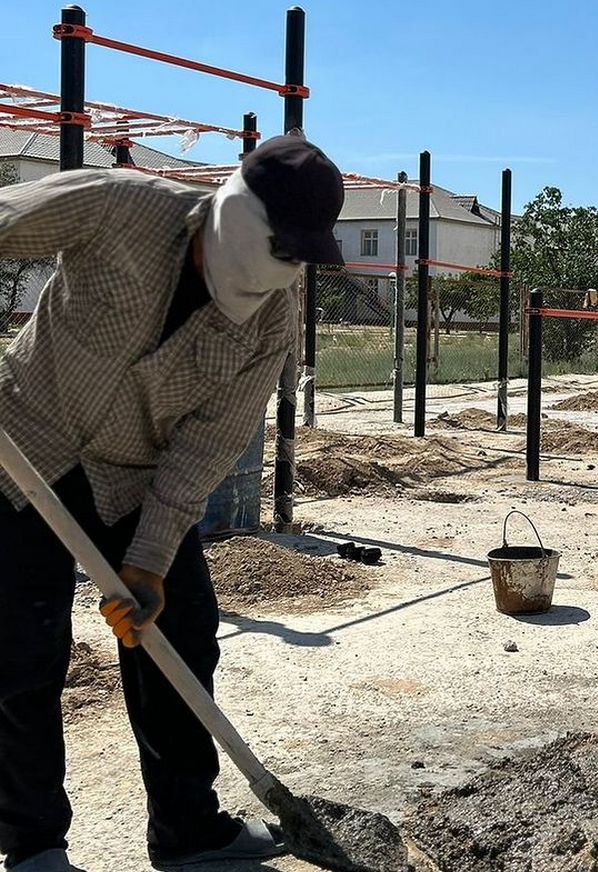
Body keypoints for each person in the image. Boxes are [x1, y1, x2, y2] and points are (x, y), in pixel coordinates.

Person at [0, 135, 344, 872]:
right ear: (239, 212)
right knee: (21, 649)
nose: (284, 269)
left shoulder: (270, 322)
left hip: (134, 476)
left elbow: (207, 446)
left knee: (180, 633)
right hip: (23, 444)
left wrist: (151, 559)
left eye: (299, 257)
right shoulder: (118, 207)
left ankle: (188, 831)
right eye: (280, 246)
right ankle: (33, 846)